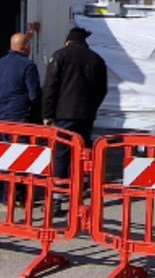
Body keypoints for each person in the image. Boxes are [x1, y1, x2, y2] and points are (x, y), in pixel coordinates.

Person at [44, 24, 110, 176]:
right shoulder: (96, 59)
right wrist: (92, 107)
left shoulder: (60, 56)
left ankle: (61, 186)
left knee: (62, 149)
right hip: (86, 115)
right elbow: (102, 89)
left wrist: (47, 114)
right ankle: (83, 181)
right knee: (84, 149)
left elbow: (50, 87)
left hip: (64, 114)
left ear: (68, 41)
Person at [0, 32, 41, 123]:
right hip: (21, 115)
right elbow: (34, 95)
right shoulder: (28, 65)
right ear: (26, 46)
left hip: (2, 114)